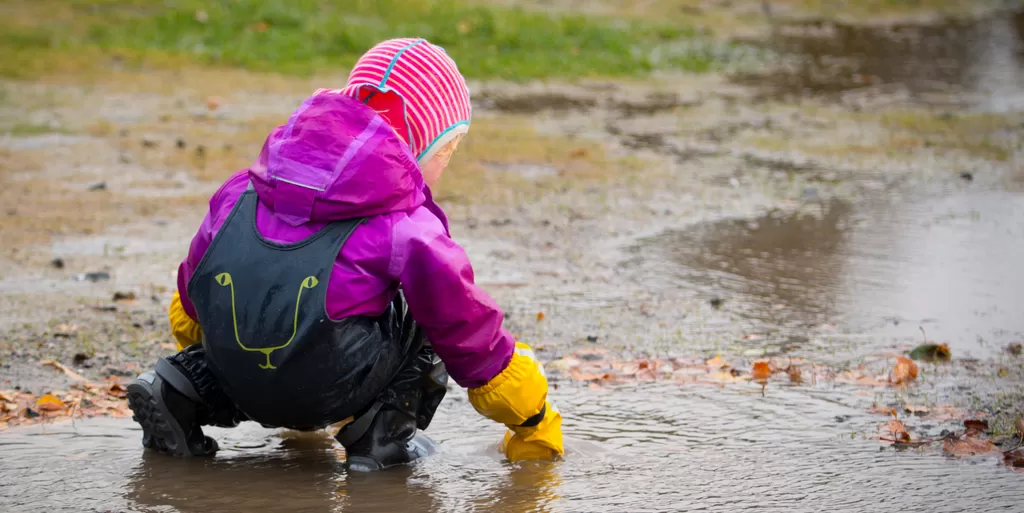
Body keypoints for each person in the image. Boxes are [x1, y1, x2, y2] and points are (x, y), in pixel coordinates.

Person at [126, 38, 563, 471]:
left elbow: (195, 283)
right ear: (420, 142)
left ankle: (183, 388)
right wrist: (531, 416)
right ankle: (382, 437)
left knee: (248, 292)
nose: (445, 165)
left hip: (234, 369)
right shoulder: (405, 224)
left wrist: (205, 348)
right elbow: (469, 332)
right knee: (428, 310)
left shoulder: (243, 188)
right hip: (327, 384)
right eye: (448, 150)